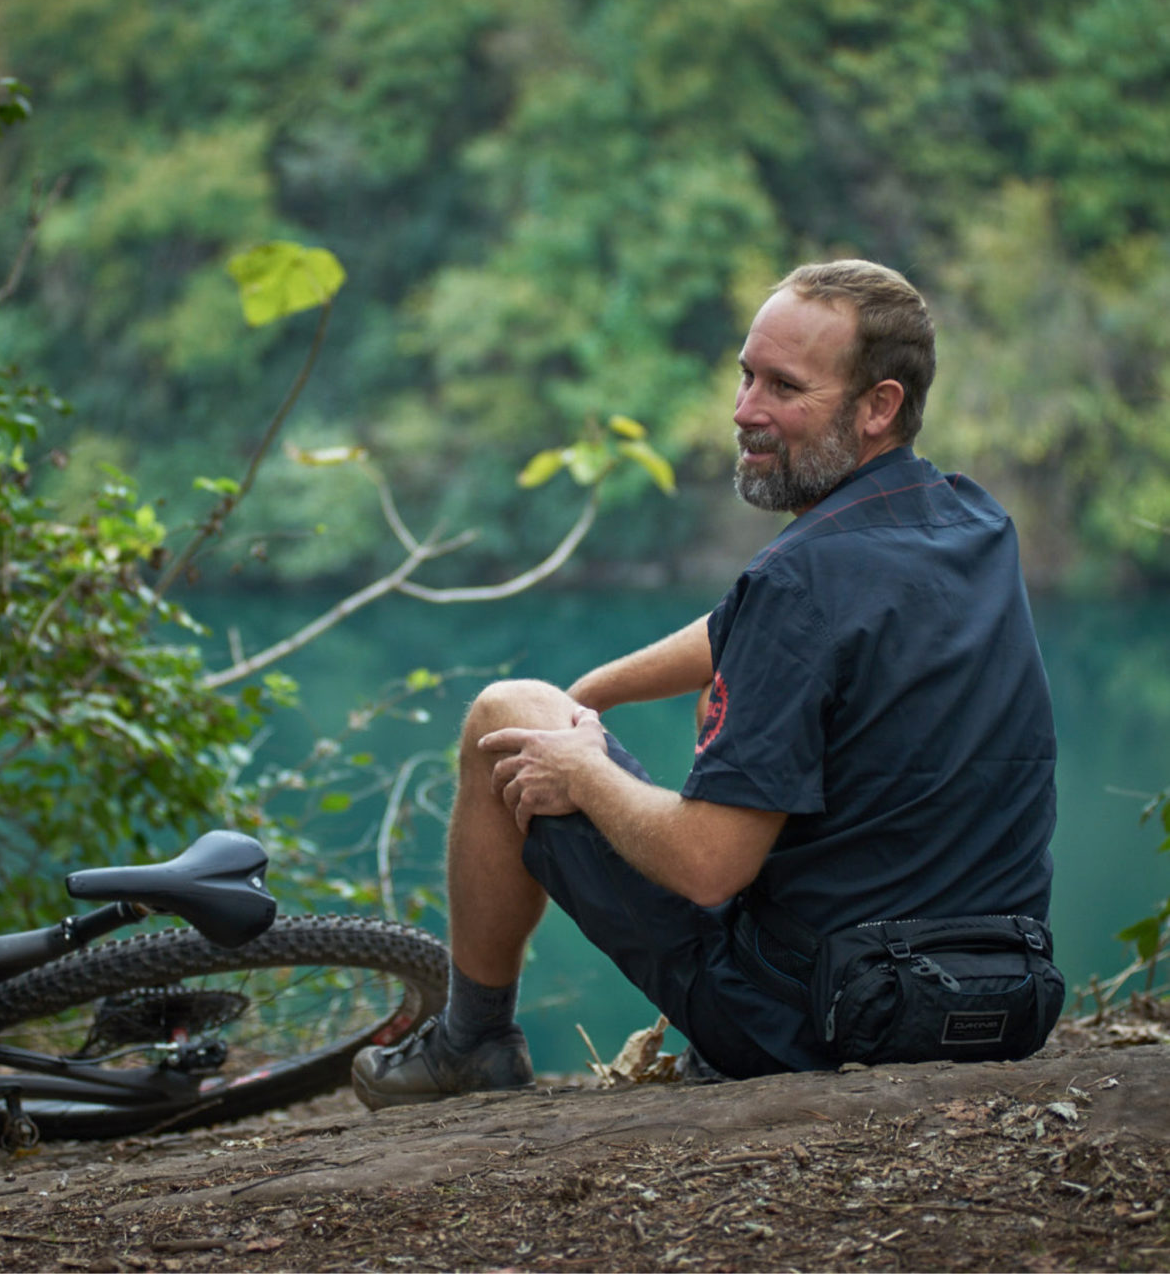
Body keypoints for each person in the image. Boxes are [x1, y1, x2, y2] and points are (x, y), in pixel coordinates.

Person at [351, 259, 1058, 1106]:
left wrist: (582, 767)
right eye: (745, 374)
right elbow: (746, 630)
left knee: (505, 716)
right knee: (590, 714)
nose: (745, 410)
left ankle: (472, 1044)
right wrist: (594, 692)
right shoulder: (973, 523)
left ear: (880, 406)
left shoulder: (800, 580)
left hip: (815, 1024)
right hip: (997, 998)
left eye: (784, 387)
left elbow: (707, 868)